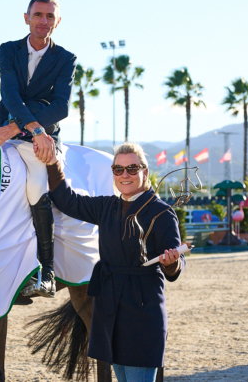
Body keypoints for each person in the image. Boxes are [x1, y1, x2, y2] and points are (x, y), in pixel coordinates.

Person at [45, 142, 184, 382]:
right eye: (118, 170)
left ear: (145, 172)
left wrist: (171, 263)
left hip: (142, 312)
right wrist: (51, 163)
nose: (125, 175)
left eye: (132, 168)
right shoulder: (107, 206)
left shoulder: (161, 213)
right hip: (110, 309)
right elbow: (68, 201)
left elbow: (174, 267)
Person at [0, 0, 77, 298]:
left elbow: (61, 107)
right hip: (10, 128)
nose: (43, 21)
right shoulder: (8, 50)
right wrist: (28, 126)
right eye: (38, 15)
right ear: (26, 18)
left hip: (42, 139)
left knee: (36, 186)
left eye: (50, 16)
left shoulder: (66, 59)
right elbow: (10, 95)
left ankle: (46, 271)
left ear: (58, 22)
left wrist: (23, 127)